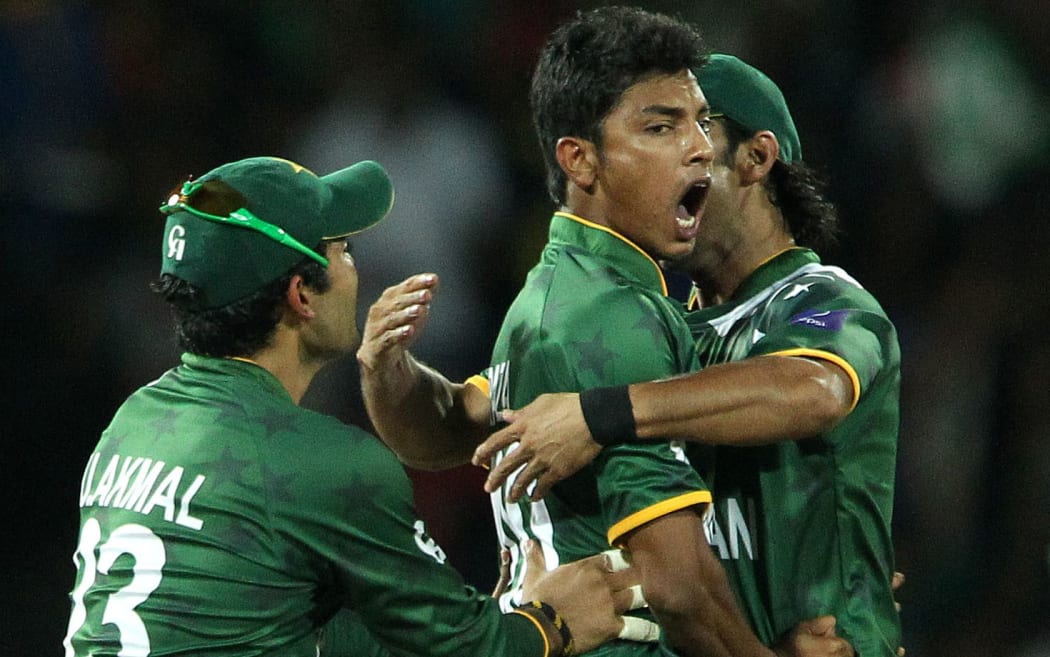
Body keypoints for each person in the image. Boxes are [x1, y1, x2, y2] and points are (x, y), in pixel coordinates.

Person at [358, 8, 851, 657]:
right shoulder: (616, 318)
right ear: (580, 161)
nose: (697, 146)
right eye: (660, 126)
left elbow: (454, 423)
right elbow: (678, 588)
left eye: (701, 122)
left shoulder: (551, 294)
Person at [61, 155, 640, 657]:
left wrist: (455, 627)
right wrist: (547, 626)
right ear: (300, 294)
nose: (354, 266)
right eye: (344, 248)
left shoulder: (133, 421)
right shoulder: (324, 463)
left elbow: (270, 625)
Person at [472, 54, 903, 657]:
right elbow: (497, 419)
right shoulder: (658, 325)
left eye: (702, 129)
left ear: (755, 158)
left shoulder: (824, 298)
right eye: (663, 131)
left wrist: (600, 413)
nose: (685, 153)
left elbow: (813, 392)